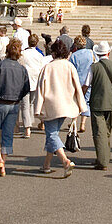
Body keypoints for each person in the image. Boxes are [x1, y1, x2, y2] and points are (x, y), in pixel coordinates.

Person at [34, 39, 85, 176]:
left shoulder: (48, 67)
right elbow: (77, 87)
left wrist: (37, 108)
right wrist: (81, 105)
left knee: (51, 134)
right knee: (53, 134)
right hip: (66, 105)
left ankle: (65, 161)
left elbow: (41, 89)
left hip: (51, 106)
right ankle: (47, 165)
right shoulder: (69, 66)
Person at [0, 39, 31, 176]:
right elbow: (26, 88)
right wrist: (18, 96)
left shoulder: (0, 66)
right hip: (14, 104)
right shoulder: (22, 69)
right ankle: (2, 163)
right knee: (7, 135)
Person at [83, 40, 112, 170]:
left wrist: (80, 98)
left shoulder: (93, 67)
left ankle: (102, 161)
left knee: (98, 132)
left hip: (97, 103)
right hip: (111, 102)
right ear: (108, 52)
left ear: (98, 54)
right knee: (107, 130)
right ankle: (104, 156)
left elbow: (86, 85)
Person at [18, 33, 49, 137]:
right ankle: (30, 122)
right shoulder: (39, 55)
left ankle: (27, 127)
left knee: (25, 105)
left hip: (25, 81)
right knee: (31, 103)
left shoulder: (23, 53)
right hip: (36, 81)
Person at [69, 34, 95, 134]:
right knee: (86, 101)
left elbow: (71, 69)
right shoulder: (90, 53)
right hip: (88, 80)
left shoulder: (74, 56)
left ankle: (74, 121)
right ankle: (83, 123)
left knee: (76, 102)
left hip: (77, 81)